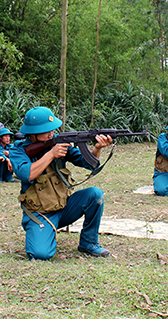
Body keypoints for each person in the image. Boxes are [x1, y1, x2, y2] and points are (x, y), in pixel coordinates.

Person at [9, 107, 113, 260]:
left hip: (63, 208)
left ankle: (89, 243)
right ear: (32, 132)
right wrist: (51, 154)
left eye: (52, 129)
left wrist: (97, 148)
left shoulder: (58, 142)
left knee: (95, 195)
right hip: (40, 213)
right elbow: (27, 174)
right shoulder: (18, 150)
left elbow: (89, 163)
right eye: (46, 130)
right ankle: (42, 232)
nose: (51, 133)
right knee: (41, 254)